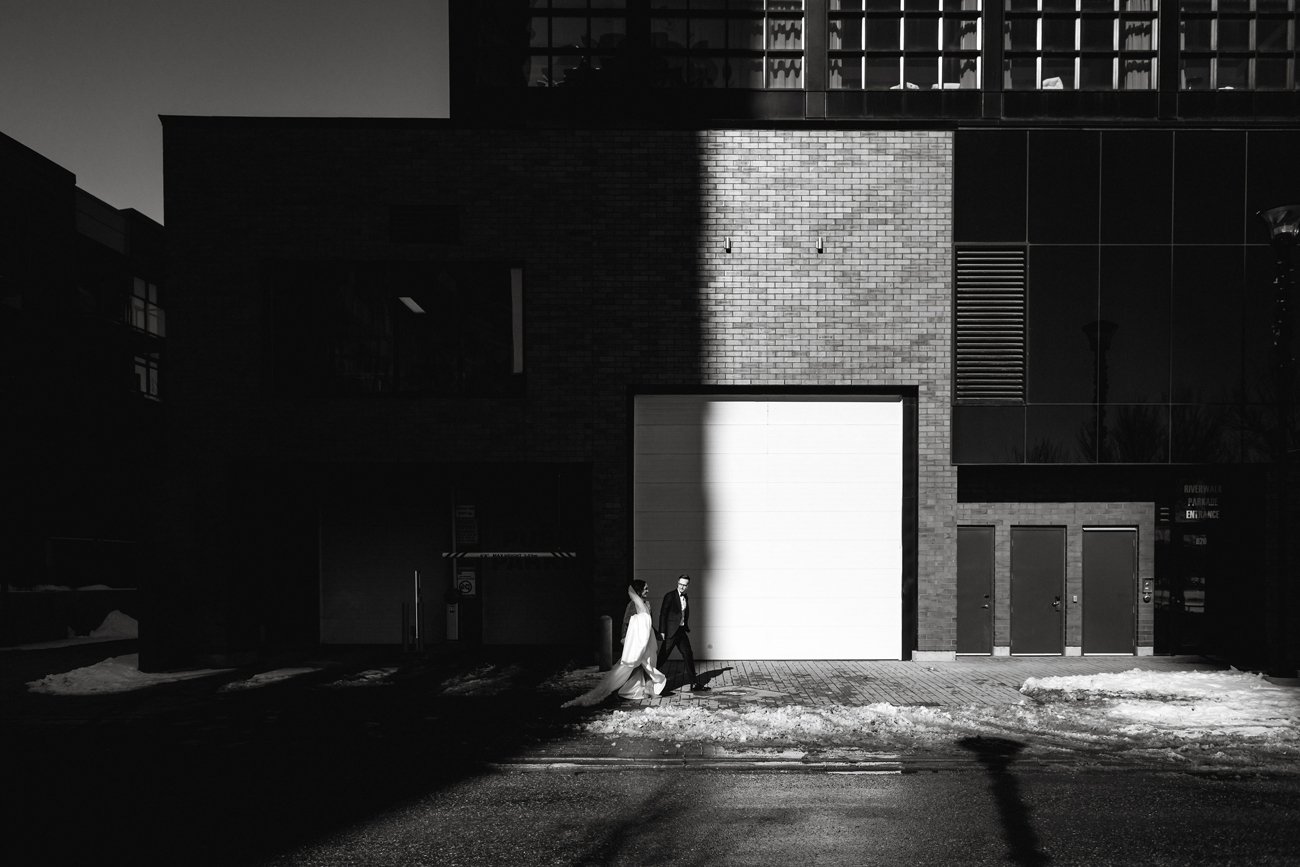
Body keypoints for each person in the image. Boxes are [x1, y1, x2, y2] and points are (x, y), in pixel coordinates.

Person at [562, 580, 666, 707]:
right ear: (639, 590)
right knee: (635, 666)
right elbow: (626, 622)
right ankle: (616, 689)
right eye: (645, 589)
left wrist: (657, 635)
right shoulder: (632, 605)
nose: (648, 591)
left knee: (646, 665)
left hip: (648, 640)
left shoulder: (647, 604)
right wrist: (624, 637)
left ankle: (646, 689)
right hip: (637, 641)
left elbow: (648, 624)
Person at [657, 573, 709, 692]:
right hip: (670, 632)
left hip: (681, 631)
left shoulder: (686, 597)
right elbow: (663, 614)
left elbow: (683, 613)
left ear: (687, 586)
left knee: (688, 654)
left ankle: (694, 683)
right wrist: (662, 631)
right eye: (680, 584)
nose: (682, 587)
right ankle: (647, 678)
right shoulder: (669, 596)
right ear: (677, 583)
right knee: (662, 657)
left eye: (684, 585)